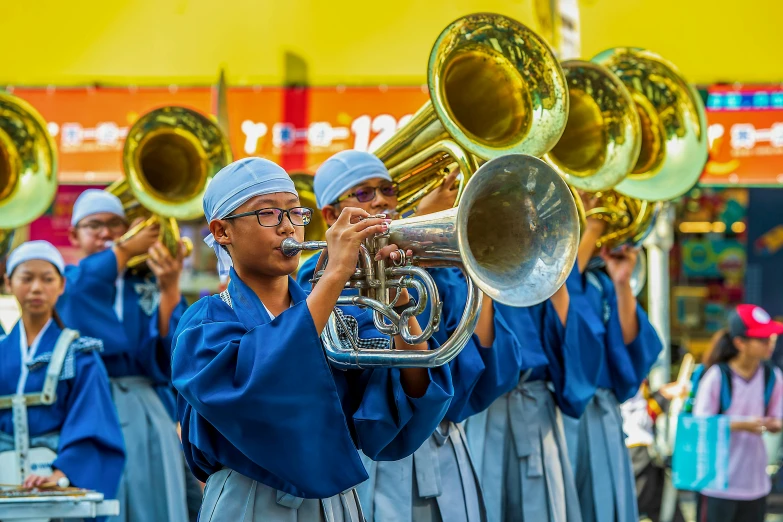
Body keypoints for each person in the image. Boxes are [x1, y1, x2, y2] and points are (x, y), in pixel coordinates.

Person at [172, 157, 454, 522]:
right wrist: (334, 275)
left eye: (295, 213)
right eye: (268, 215)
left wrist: (402, 308)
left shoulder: (334, 317)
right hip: (249, 503)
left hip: (338, 506)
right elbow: (257, 387)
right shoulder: (205, 321)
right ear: (222, 231)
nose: (288, 227)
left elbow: (388, 417)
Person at [299, 149, 514, 522]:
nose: (381, 200)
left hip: (446, 447)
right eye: (363, 194)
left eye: (387, 190)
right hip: (375, 459)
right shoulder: (314, 276)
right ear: (332, 216)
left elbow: (471, 379)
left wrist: (466, 255)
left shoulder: (428, 268)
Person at [56, 189, 190, 522]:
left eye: (117, 224)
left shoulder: (145, 281)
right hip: (86, 402)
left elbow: (170, 351)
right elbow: (76, 293)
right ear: (74, 235)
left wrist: (170, 286)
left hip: (145, 401)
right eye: (94, 225)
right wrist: (127, 246)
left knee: (154, 503)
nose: (106, 232)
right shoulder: (69, 279)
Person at [564, 196, 663, 522]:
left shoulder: (598, 281)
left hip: (602, 415)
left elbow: (632, 355)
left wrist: (622, 284)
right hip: (556, 415)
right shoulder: (545, 274)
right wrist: (592, 227)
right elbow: (559, 297)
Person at [0, 241, 125, 499]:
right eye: (26, 278)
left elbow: (93, 420)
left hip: (55, 478)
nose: (36, 288)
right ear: (8, 283)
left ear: (61, 285)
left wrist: (62, 474)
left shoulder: (80, 355)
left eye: (47, 279)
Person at [693, 304, 783, 522]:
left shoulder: (772, 376)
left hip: (755, 483)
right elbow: (700, 422)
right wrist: (743, 425)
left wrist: (773, 425)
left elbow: (777, 419)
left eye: (770, 337)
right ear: (739, 343)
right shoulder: (717, 376)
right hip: (716, 483)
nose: (769, 343)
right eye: (761, 338)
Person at [621, 379, 688, 522]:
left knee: (668, 510)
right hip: (634, 450)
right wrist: (663, 396)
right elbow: (639, 417)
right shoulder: (623, 370)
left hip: (646, 453)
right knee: (630, 507)